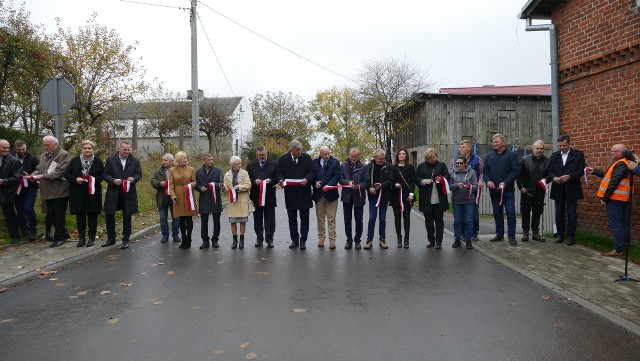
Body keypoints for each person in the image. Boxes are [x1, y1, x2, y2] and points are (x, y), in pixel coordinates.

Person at [587, 144, 634, 257]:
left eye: (612, 151)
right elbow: (609, 176)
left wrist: (605, 198)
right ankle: (624, 247)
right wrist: (594, 171)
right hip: (622, 198)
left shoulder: (621, 163)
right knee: (622, 223)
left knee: (616, 224)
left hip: (615, 199)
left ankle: (618, 250)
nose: (610, 153)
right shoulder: (625, 163)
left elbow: (614, 182)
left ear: (619, 152)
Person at [29, 136, 70, 247]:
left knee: (59, 215)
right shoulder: (43, 155)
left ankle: (59, 238)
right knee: (51, 215)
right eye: (44, 144)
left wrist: (42, 176)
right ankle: (64, 233)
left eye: (48, 144)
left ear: (55, 144)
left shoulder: (63, 154)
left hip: (60, 190)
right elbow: (39, 168)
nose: (45, 147)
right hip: (46, 191)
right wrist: (33, 175)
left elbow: (59, 171)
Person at [102, 140, 142, 249]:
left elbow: (139, 174)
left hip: (128, 193)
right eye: (125, 149)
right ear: (119, 149)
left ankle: (126, 239)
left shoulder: (135, 161)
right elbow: (105, 174)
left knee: (127, 215)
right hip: (113, 192)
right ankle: (111, 238)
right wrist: (113, 180)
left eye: (129, 149)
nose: (127, 152)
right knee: (109, 214)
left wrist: (133, 179)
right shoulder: (110, 160)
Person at [64, 140, 103, 247]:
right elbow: (67, 174)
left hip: (92, 193)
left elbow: (102, 176)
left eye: (89, 148)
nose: (87, 150)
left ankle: (91, 238)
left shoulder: (98, 161)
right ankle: (81, 238)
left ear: (93, 149)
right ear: (81, 149)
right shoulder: (75, 161)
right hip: (78, 192)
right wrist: (76, 179)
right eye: (85, 148)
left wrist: (93, 179)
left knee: (92, 215)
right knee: (80, 215)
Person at [548, 135, 585, 245]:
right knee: (559, 213)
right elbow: (550, 171)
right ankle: (560, 235)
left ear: (569, 144)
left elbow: (581, 171)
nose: (562, 148)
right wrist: (554, 178)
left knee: (572, 213)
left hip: (572, 187)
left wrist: (569, 176)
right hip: (558, 187)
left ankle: (570, 236)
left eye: (564, 145)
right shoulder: (554, 156)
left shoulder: (578, 155)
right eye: (560, 146)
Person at [277, 140, 315, 250]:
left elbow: (312, 171)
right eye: (298, 150)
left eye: (300, 150)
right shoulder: (283, 159)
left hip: (304, 192)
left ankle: (303, 240)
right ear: (292, 149)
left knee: (304, 219)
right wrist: (281, 180)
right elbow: (279, 172)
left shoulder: (307, 158)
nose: (300, 152)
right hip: (290, 193)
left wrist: (307, 179)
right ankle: (294, 239)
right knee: (292, 218)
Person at [484, 133, 520, 246]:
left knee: (510, 213)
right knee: (497, 213)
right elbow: (485, 172)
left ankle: (511, 236)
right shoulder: (489, 156)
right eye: (493, 142)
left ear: (503, 142)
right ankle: (499, 235)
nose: (494, 144)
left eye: (496, 142)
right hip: (494, 191)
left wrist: (505, 183)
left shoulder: (511, 155)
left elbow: (515, 172)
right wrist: (488, 181)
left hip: (507, 191)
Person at [516, 140, 550, 242]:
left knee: (537, 212)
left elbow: (550, 175)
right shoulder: (524, 160)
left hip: (539, 191)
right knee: (525, 212)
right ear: (533, 148)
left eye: (541, 148)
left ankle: (535, 233)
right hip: (526, 191)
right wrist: (521, 187)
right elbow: (518, 175)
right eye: (537, 148)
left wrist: (546, 180)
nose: (539, 150)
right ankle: (525, 233)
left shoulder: (548, 162)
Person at [450, 140, 484, 241]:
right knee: (460, 216)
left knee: (473, 213)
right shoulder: (454, 160)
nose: (461, 148)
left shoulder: (477, 159)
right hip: (458, 193)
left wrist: (480, 181)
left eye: (463, 147)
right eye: (460, 147)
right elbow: (450, 173)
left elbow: (482, 172)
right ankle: (463, 234)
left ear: (469, 148)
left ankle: (474, 233)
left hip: (471, 190)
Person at [416, 148, 449, 249]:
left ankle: (439, 241)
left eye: (434, 157)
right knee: (428, 221)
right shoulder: (421, 166)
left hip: (439, 199)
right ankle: (431, 240)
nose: (433, 159)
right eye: (430, 158)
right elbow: (416, 178)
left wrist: (441, 179)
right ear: (426, 158)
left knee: (439, 221)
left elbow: (447, 176)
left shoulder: (441, 165)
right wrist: (424, 181)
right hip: (426, 199)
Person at [247, 146, 278, 248]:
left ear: (266, 153)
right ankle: (259, 239)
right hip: (256, 197)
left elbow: (278, 177)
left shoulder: (274, 164)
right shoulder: (251, 165)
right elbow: (246, 179)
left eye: (263, 155)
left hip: (269, 196)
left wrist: (272, 180)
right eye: (260, 155)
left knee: (270, 219)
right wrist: (253, 181)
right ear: (257, 155)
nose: (262, 157)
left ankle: (270, 239)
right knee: (258, 219)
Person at [312, 145, 341, 249]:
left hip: (331, 195)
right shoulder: (314, 162)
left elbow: (337, 175)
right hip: (318, 195)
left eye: (328, 153)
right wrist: (314, 182)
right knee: (320, 219)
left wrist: (330, 185)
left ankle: (332, 240)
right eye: (325, 154)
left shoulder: (335, 162)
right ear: (320, 154)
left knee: (331, 218)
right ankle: (321, 238)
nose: (327, 156)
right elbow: (311, 175)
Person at [363, 149, 393, 249]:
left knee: (382, 218)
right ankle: (369, 240)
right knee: (372, 218)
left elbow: (391, 180)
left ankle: (382, 239)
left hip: (384, 196)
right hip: (373, 196)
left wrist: (381, 185)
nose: (382, 160)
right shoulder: (369, 166)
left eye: (383, 158)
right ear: (375, 157)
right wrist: (369, 188)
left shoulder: (388, 166)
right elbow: (366, 180)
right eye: (380, 158)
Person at [339, 147, 368, 250]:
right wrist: (348, 183)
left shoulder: (364, 167)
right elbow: (340, 178)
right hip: (347, 196)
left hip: (358, 197)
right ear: (349, 155)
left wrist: (359, 186)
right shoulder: (343, 165)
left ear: (358, 156)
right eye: (351, 156)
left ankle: (357, 241)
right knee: (347, 220)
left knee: (359, 220)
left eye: (355, 157)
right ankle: (349, 241)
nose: (353, 158)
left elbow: (366, 181)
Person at [170, 151, 198, 249]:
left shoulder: (191, 169)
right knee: (181, 219)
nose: (185, 160)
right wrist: (173, 196)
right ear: (178, 160)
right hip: (178, 197)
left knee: (189, 219)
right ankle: (184, 238)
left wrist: (191, 185)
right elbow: (171, 185)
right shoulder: (172, 170)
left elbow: (195, 181)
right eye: (183, 158)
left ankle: (189, 238)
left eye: (186, 158)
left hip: (188, 196)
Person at [150, 153, 180, 244]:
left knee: (176, 217)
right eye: (162, 160)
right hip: (162, 197)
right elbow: (153, 180)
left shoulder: (177, 170)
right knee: (163, 217)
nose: (163, 162)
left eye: (165, 160)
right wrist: (159, 183)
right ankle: (165, 235)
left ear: (171, 161)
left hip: (174, 197)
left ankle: (175, 235)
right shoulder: (159, 171)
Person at [449, 155, 477, 250]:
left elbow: (475, 186)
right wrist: (456, 185)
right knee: (457, 221)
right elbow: (449, 186)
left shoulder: (471, 172)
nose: (459, 164)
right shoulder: (452, 172)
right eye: (457, 163)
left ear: (465, 163)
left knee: (468, 221)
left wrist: (469, 186)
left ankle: (468, 240)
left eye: (461, 163)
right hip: (457, 201)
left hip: (469, 201)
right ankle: (457, 239)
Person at [12, 140, 39, 241]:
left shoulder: (32, 158)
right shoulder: (11, 157)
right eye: (19, 150)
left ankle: (33, 230)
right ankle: (24, 230)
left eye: (23, 149)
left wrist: (32, 175)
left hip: (31, 187)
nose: (22, 151)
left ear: (26, 147)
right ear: (15, 149)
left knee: (28, 207)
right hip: (17, 187)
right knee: (20, 209)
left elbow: (38, 169)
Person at [195, 153, 223, 249]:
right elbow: (196, 185)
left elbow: (221, 183)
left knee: (217, 221)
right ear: (203, 161)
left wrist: (216, 185)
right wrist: (200, 188)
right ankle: (205, 241)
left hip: (215, 200)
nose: (211, 161)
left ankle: (215, 239)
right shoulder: (198, 172)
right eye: (209, 160)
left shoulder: (218, 171)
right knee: (204, 222)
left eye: (212, 159)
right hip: (204, 199)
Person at [224, 155, 251, 249]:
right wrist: (225, 188)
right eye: (237, 163)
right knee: (233, 222)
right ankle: (234, 240)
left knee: (243, 221)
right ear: (233, 165)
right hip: (232, 201)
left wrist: (239, 187)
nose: (240, 165)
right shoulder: (227, 174)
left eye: (240, 163)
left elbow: (248, 185)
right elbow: (225, 186)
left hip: (242, 200)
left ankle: (242, 240)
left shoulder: (245, 173)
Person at [390, 148, 416, 249]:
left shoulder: (410, 167)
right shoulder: (394, 167)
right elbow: (390, 179)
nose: (401, 155)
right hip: (396, 195)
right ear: (397, 156)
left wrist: (411, 194)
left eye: (403, 154)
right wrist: (394, 184)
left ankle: (406, 240)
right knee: (397, 217)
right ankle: (399, 239)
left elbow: (413, 182)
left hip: (407, 196)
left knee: (406, 217)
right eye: (399, 154)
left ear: (406, 156)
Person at [0, 139, 22, 244]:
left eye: (8, 148)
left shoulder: (14, 161)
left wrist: (3, 181)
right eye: (4, 147)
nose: (6, 150)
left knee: (9, 215)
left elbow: (16, 178)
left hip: (7, 192)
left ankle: (15, 235)